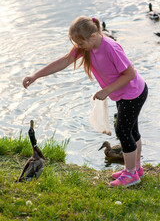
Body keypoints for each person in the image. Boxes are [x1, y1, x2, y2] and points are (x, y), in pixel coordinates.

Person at [23, 16, 148, 187]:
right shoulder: (87, 46)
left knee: (123, 130)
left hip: (134, 93)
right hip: (125, 94)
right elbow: (65, 61)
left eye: (80, 44)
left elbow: (130, 74)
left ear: (93, 37)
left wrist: (107, 90)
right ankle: (135, 169)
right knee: (131, 130)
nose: (78, 48)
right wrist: (35, 75)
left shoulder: (111, 48)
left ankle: (131, 174)